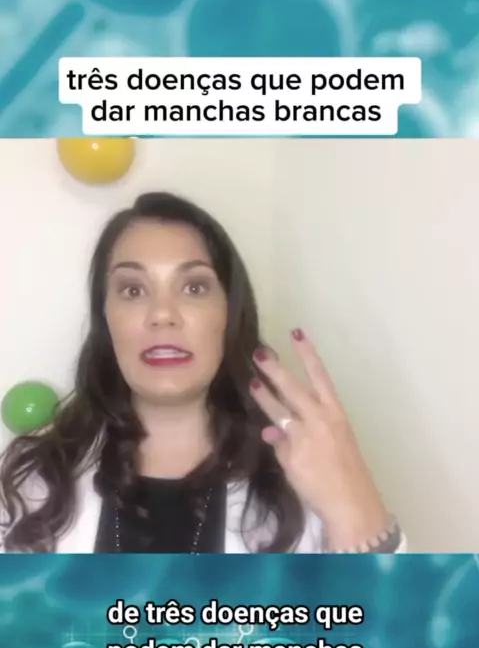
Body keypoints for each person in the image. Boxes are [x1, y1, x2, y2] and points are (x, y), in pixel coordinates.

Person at [0, 192, 406, 554]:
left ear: (229, 314)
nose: (162, 314)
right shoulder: (34, 482)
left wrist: (358, 513)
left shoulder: (302, 481)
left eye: (194, 287)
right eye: (133, 290)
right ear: (106, 318)